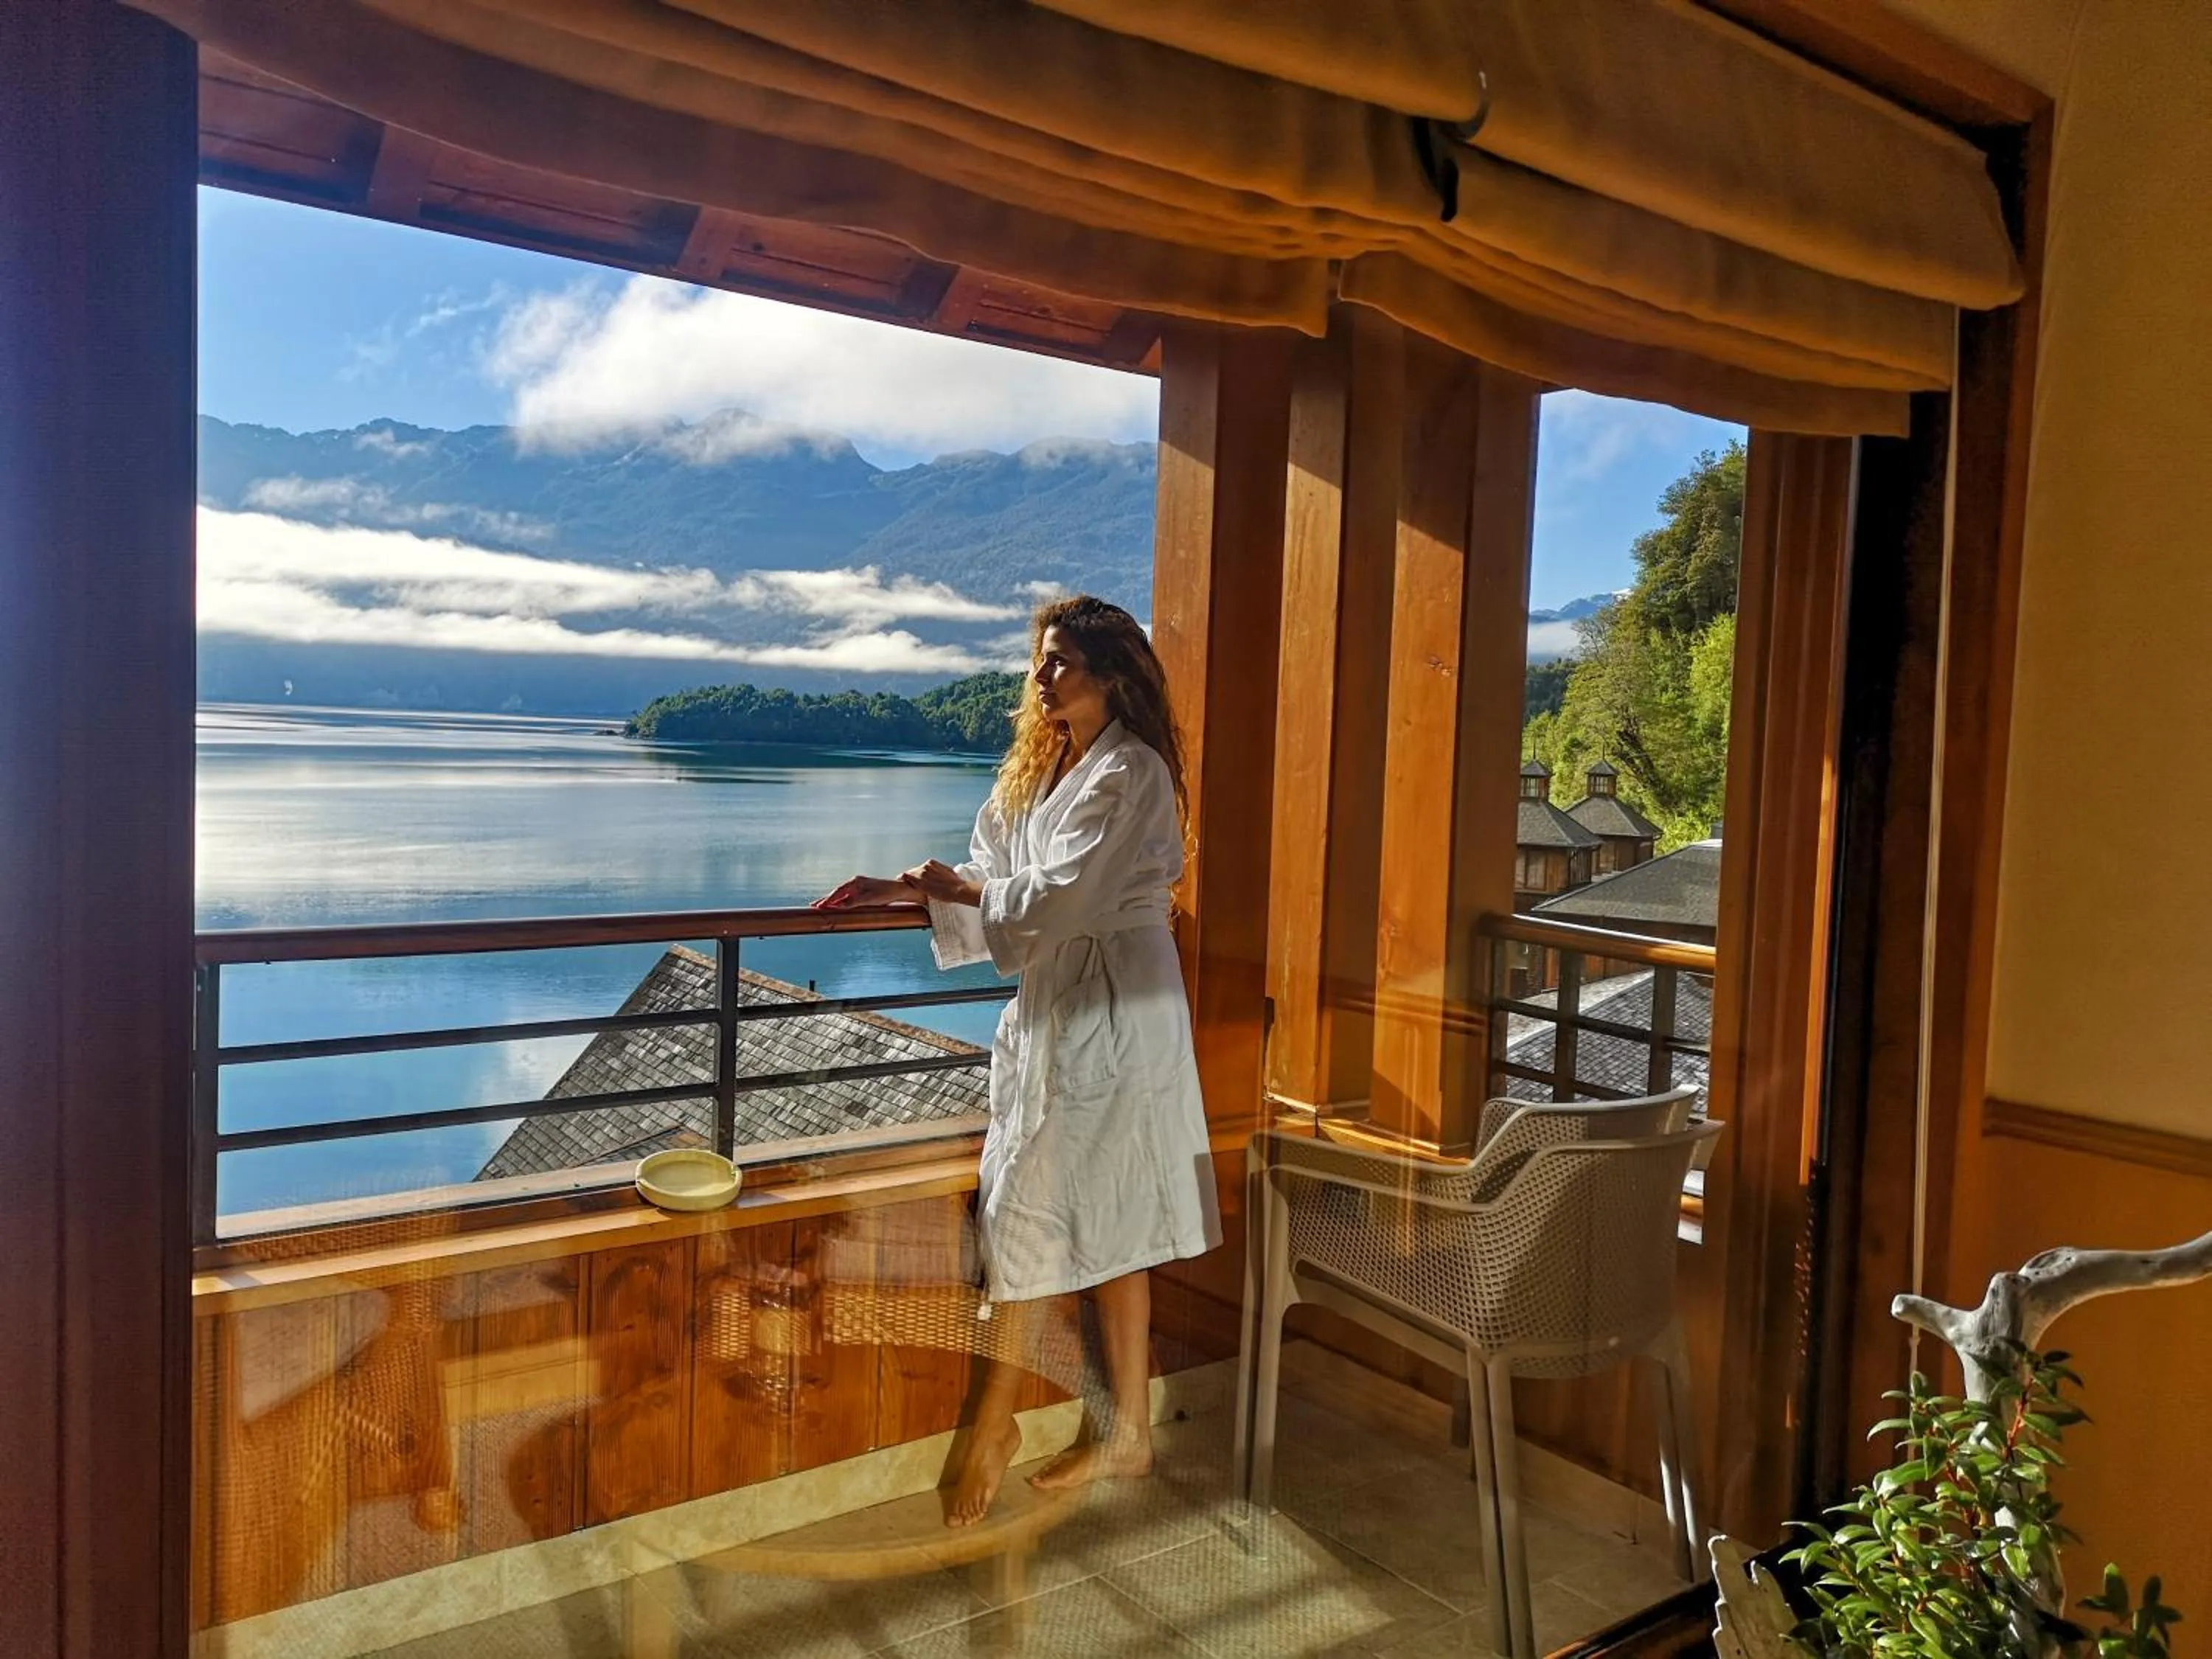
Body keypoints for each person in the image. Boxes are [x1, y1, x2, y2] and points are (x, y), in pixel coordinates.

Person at [815, 594, 1219, 1526]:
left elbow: (1054, 899)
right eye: (1039, 662)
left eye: (1062, 663)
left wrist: (959, 888)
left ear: (1114, 674)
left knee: (1061, 1208)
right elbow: (991, 875)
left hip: (1119, 1004)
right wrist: (905, 887)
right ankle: (1123, 1434)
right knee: (1079, 1207)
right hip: (1063, 1003)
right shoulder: (1041, 768)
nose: (1043, 679)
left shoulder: (1133, 772)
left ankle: (1012, 1422)